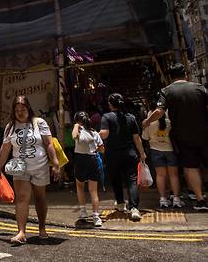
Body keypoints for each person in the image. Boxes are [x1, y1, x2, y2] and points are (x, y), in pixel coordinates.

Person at [0, 95, 60, 245]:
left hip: (40, 166)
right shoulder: (10, 126)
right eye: (16, 109)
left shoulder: (40, 123)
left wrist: (55, 163)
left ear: (28, 108)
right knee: (22, 198)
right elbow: (5, 148)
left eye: (23, 109)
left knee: (40, 197)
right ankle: (21, 232)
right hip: (20, 168)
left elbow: (49, 144)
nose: (20, 112)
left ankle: (42, 227)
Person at [143, 63, 208, 211]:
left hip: (183, 135)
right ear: (185, 73)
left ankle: (200, 200)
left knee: (191, 167)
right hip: (204, 132)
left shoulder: (166, 91)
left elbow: (159, 111)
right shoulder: (200, 88)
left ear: (170, 77)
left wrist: (147, 121)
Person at [100, 93, 147, 221]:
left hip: (113, 155)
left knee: (116, 180)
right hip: (129, 153)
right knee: (131, 180)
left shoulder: (106, 117)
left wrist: (93, 133)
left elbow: (104, 135)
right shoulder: (130, 117)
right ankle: (134, 209)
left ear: (110, 104)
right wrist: (142, 153)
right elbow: (136, 138)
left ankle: (121, 204)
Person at [142, 107, 183, 209]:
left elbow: (145, 137)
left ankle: (162, 199)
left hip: (155, 150)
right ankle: (176, 199)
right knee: (174, 175)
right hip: (170, 150)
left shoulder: (149, 123)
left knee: (160, 175)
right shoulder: (170, 122)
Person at [72, 112, 104, 227]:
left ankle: (83, 212)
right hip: (93, 159)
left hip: (80, 160)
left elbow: (74, 136)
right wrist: (94, 148)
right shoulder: (95, 133)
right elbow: (102, 149)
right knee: (93, 190)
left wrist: (76, 126)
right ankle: (96, 216)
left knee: (80, 187)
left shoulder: (78, 130)